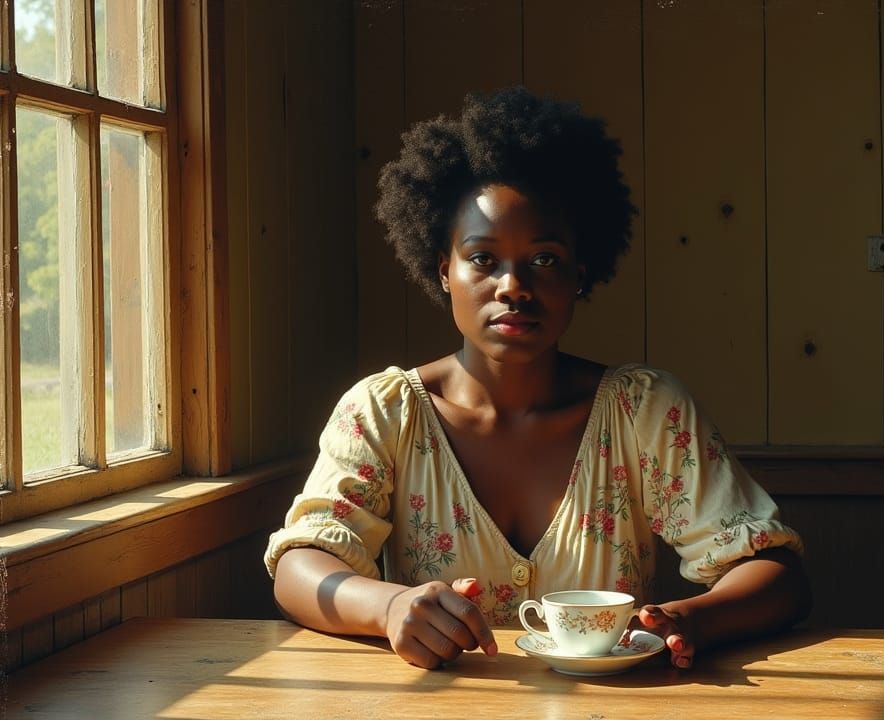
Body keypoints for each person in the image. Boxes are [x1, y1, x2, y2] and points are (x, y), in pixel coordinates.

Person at [265, 86, 812, 672]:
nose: (513, 286)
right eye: (482, 259)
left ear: (581, 271)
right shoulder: (384, 411)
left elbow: (779, 576)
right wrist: (390, 606)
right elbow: (302, 566)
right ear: (441, 270)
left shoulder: (647, 411)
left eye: (544, 259)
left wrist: (690, 619)